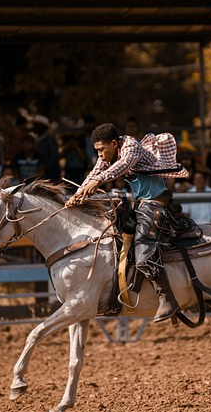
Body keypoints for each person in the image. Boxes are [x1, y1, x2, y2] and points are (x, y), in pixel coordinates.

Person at [66, 123, 189, 323]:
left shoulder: (131, 147)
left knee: (143, 250)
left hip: (156, 202)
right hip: (141, 204)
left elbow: (122, 166)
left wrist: (97, 183)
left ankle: (168, 298)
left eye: (101, 149)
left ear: (114, 144)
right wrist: (79, 193)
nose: (99, 154)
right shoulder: (109, 155)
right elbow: (95, 172)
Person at [32, 115, 60, 181]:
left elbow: (54, 156)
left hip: (50, 174)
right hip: (37, 173)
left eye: (36, 125)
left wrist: (45, 168)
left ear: (43, 127)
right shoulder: (34, 140)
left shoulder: (50, 140)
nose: (34, 127)